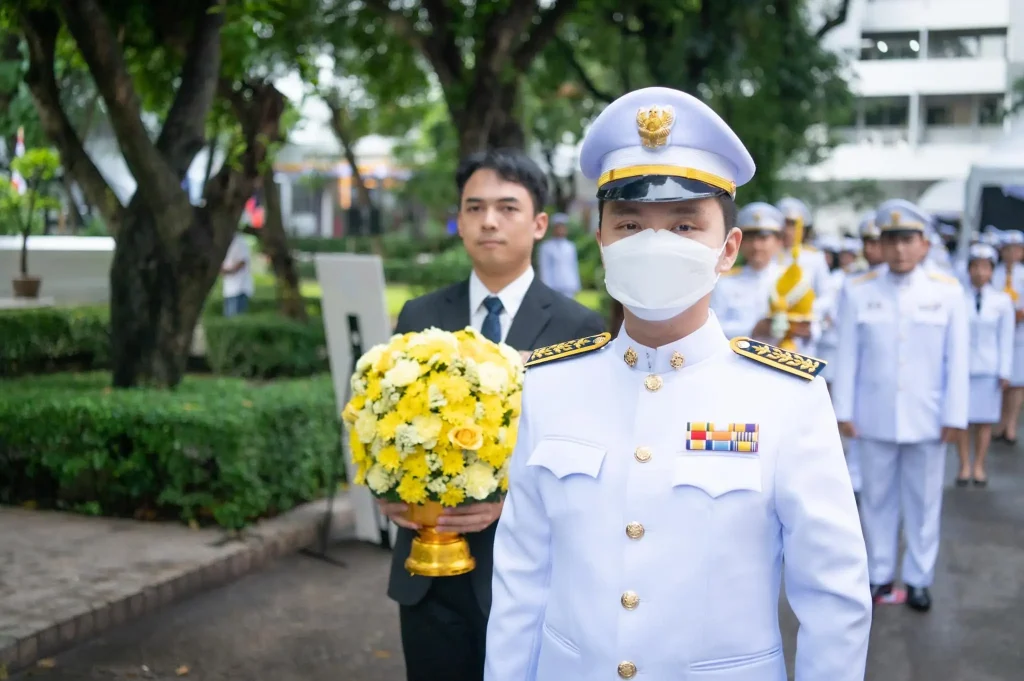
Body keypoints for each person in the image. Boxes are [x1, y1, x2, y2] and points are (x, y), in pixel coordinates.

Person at [485, 86, 871, 681]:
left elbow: (834, 601)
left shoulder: (787, 398)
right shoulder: (550, 384)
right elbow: (521, 576)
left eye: (685, 224)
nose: (654, 244)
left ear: (728, 248)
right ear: (602, 241)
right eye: (631, 223)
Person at [376, 148, 605, 681]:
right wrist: (387, 485)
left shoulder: (580, 329)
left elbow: (588, 453)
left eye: (507, 207)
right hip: (430, 571)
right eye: (474, 208)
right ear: (459, 222)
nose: (489, 221)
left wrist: (505, 499)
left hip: (536, 573)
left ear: (539, 223)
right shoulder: (420, 315)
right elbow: (389, 421)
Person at [832, 198, 969, 613]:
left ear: (924, 244)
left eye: (908, 239)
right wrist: (843, 411)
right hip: (873, 416)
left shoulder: (947, 292)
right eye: (891, 240)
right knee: (876, 500)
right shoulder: (859, 291)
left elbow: (956, 359)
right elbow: (847, 355)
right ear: (881, 243)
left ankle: (918, 579)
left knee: (925, 503)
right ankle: (879, 574)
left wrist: (955, 415)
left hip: (929, 418)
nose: (899, 249)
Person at [958, 242, 1014, 486]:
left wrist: (1004, 371)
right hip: (963, 368)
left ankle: (979, 465)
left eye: (985, 267)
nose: (980, 272)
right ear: (969, 269)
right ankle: (963, 466)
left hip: (989, 368)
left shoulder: (1002, 301)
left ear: (992, 270)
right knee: (961, 420)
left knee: (984, 421)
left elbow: (1006, 338)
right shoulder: (958, 297)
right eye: (976, 267)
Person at [709, 202, 783, 339]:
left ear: (778, 242)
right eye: (749, 238)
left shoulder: (790, 280)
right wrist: (752, 330)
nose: (756, 245)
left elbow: (813, 327)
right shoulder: (725, 283)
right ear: (739, 243)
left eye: (763, 238)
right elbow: (712, 328)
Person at [994, 230, 1024, 445]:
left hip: (1020, 333)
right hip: (995, 333)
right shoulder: (992, 273)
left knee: (1017, 383)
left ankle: (1011, 424)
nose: (1012, 253)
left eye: (1016, 249)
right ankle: (998, 422)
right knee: (1000, 379)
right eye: (1008, 249)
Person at [537, 212, 583, 298]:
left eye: (563, 227)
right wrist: (546, 286)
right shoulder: (546, 247)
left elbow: (573, 266)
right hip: (554, 285)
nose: (561, 230)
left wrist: (576, 284)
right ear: (554, 228)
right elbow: (544, 268)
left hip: (569, 284)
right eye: (558, 227)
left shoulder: (570, 246)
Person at [221, 231, 254, 316]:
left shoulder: (239, 241)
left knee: (236, 319)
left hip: (240, 289)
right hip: (228, 289)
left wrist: (229, 271)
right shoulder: (224, 240)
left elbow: (242, 261)